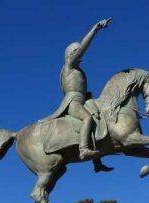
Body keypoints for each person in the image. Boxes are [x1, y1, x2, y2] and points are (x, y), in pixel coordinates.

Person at [41, 18, 114, 172]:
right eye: (75, 51)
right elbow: (82, 48)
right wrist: (95, 29)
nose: (79, 53)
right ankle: (83, 150)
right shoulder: (68, 66)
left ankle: (97, 162)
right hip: (73, 101)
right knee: (87, 118)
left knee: (99, 119)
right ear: (70, 55)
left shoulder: (79, 71)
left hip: (84, 99)